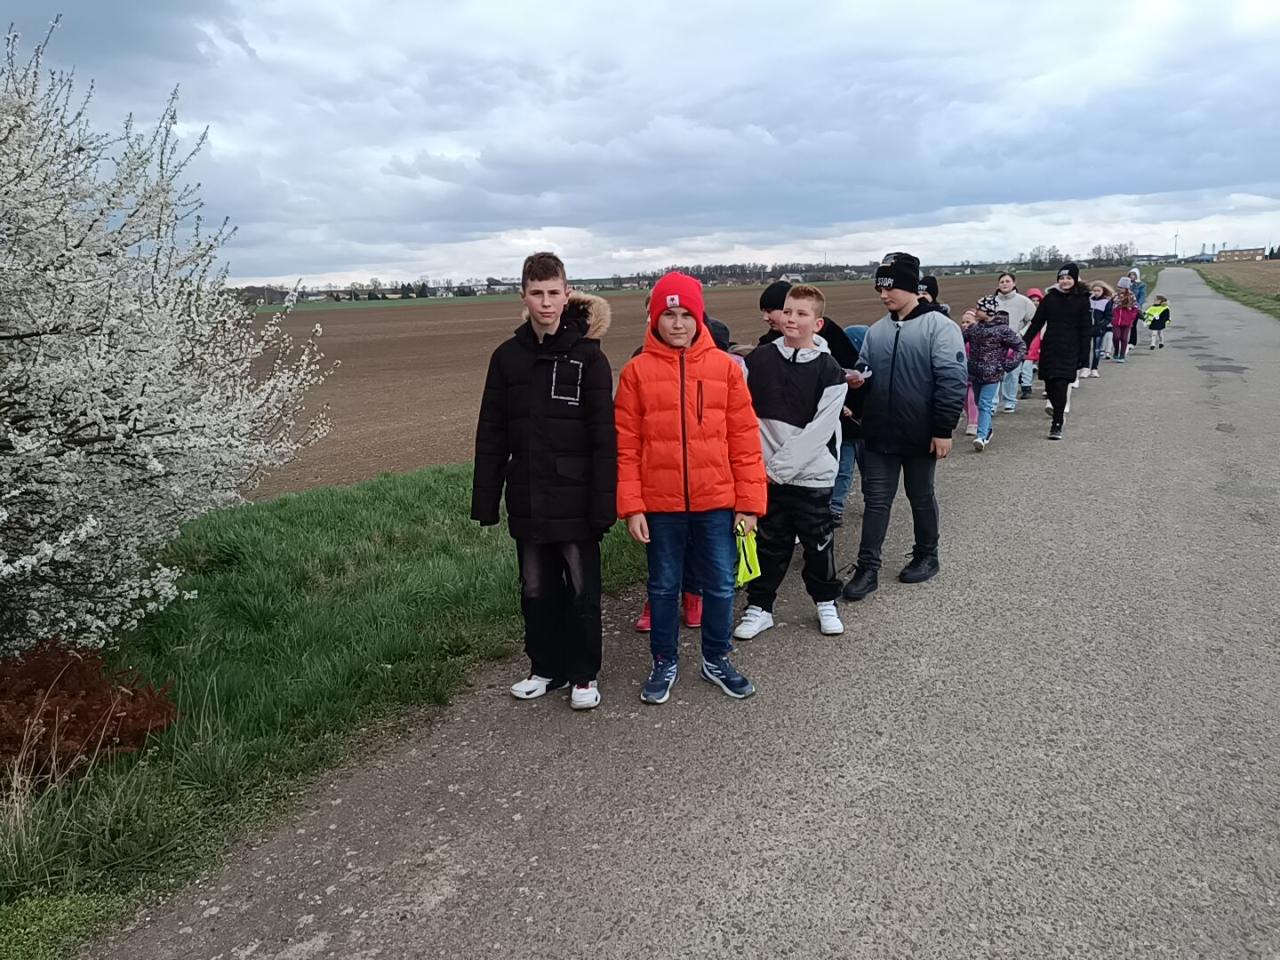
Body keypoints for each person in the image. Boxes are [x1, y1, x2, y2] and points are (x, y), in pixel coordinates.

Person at [471, 252, 617, 710]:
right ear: (524, 296)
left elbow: (604, 438)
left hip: (576, 497)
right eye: (537, 293)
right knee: (535, 589)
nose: (546, 302)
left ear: (567, 294)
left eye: (554, 292)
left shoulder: (589, 357)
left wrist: (604, 503)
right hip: (528, 494)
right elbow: (491, 432)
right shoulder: (506, 358)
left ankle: (583, 675)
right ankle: (545, 668)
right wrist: (485, 500)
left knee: (581, 590)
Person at [615, 271, 767, 705]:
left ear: (699, 318)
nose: (677, 324)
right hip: (660, 506)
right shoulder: (636, 373)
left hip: (716, 502)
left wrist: (749, 504)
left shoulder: (725, 370)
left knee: (720, 584)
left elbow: (744, 440)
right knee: (663, 587)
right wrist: (632, 506)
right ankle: (663, 661)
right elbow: (626, 446)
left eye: (686, 315)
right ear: (654, 319)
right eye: (669, 315)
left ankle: (716, 658)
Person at [841, 252, 967, 601]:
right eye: (880, 289)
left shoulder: (940, 328)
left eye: (890, 288)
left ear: (911, 287)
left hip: (921, 433)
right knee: (876, 500)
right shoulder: (877, 331)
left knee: (920, 495)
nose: (884, 295)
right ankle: (868, 568)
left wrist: (943, 430)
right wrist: (858, 383)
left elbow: (952, 381)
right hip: (879, 433)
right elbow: (866, 371)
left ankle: (927, 554)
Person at [734, 284, 848, 642]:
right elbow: (744, 415)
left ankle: (826, 602)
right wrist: (760, 469)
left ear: (818, 323)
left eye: (801, 313)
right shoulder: (758, 361)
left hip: (811, 475)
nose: (791, 319)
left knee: (818, 543)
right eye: (787, 311)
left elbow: (820, 431)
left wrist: (776, 470)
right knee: (769, 544)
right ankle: (760, 607)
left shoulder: (830, 370)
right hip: (766, 476)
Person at [1022, 263, 1090, 441]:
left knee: (1061, 384)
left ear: (1075, 280)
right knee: (1050, 385)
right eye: (1062, 278)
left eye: (1068, 278)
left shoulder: (1082, 300)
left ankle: (1057, 422)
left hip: (1070, 348)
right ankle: (1057, 412)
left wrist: (1085, 357)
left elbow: (1086, 329)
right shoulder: (1050, 298)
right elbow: (1036, 323)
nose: (1065, 281)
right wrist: (1024, 342)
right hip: (1050, 346)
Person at [959, 298, 1027, 451]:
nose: (977, 311)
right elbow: (959, 340)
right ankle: (987, 429)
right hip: (975, 373)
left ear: (989, 311)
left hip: (992, 374)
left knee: (985, 403)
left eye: (980, 309)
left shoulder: (1003, 330)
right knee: (978, 402)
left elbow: (1020, 347)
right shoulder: (975, 329)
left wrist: (1007, 365)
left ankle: (981, 436)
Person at [993, 272, 1038, 411]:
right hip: (994, 342)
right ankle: (992, 403)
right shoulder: (992, 301)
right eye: (1002, 282)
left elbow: (1034, 320)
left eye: (1007, 281)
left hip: (1014, 341)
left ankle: (1009, 401)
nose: (1004, 284)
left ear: (1014, 283)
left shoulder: (1024, 301)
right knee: (993, 372)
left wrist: (1022, 334)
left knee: (1012, 373)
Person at [1087, 281, 1115, 377]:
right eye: (1094, 290)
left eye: (1098, 291)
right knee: (1085, 349)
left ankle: (1094, 368)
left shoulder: (1106, 302)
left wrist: (1100, 325)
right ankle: (1085, 368)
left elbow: (1109, 317)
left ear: (1103, 291)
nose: (1096, 293)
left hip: (1098, 329)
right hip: (1087, 328)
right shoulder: (1088, 300)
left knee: (1097, 350)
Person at [1110, 285, 1139, 363]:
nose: (1120, 289)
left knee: (1124, 338)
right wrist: (1111, 316)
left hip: (1127, 320)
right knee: (1116, 337)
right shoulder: (1115, 296)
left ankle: (1122, 355)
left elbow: (1135, 308)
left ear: (1126, 288)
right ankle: (1116, 350)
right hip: (1116, 320)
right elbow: (1110, 306)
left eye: (1122, 287)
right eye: (1119, 287)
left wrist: (1132, 317)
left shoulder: (1131, 296)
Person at [758, 280, 792, 344]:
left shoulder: (811, 342)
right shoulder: (767, 343)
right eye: (763, 312)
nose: (765, 318)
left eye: (769, 311)